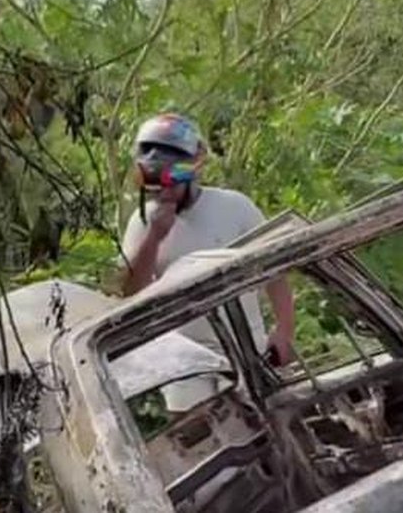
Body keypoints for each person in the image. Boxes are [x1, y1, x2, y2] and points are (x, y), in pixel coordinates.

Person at [120, 112, 296, 412]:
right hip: (184, 362)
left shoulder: (234, 206)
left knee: (266, 429)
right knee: (202, 441)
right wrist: (154, 237)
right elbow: (129, 292)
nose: (164, 192)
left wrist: (285, 330)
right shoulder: (141, 222)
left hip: (248, 349)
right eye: (155, 184)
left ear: (191, 173)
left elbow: (275, 273)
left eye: (171, 183)